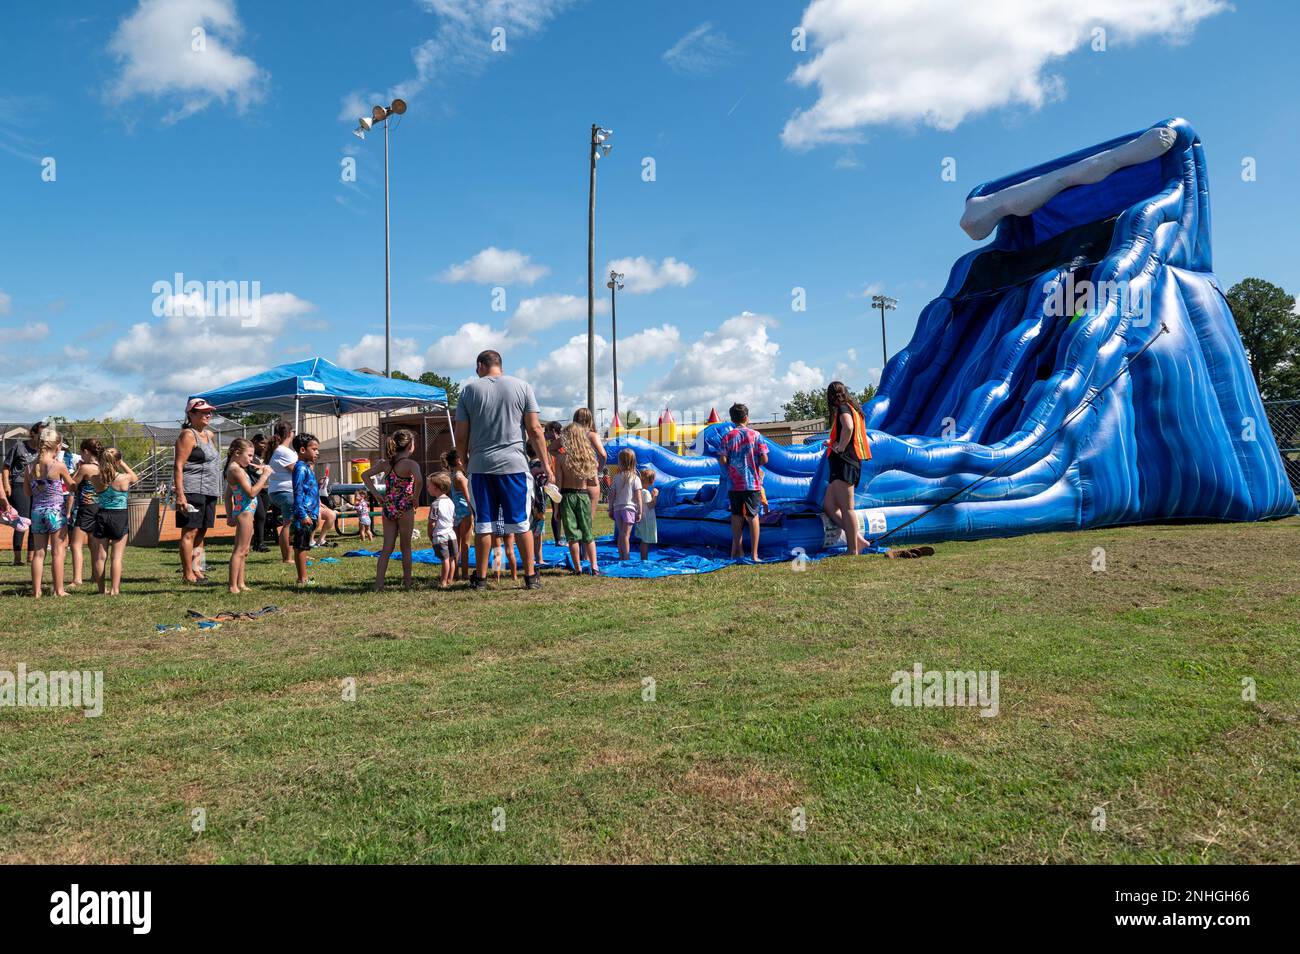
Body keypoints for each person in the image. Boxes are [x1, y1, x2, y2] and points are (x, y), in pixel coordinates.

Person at [452, 350, 552, 590]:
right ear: (500, 365)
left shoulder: (469, 391)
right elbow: (536, 430)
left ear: (480, 365)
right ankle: (530, 576)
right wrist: (546, 464)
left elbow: (462, 434)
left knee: (483, 525)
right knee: (520, 524)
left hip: (481, 466)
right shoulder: (522, 387)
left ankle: (482, 578)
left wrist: (463, 460)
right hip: (515, 467)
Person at [364, 428, 421, 592]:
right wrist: (416, 497)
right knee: (406, 547)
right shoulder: (410, 464)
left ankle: (378, 584)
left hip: (388, 506)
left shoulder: (385, 463)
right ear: (410, 445)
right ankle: (408, 583)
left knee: (387, 547)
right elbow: (419, 480)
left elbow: (365, 476)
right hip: (405, 507)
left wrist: (376, 495)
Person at [822, 380, 874, 555]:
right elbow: (848, 430)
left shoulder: (844, 408)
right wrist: (833, 443)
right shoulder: (853, 408)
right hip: (845, 462)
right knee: (829, 506)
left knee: (847, 508)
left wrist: (840, 447)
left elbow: (848, 427)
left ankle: (853, 549)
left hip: (845, 461)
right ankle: (858, 540)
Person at [174, 398, 222, 585]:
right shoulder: (187, 435)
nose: (208, 414)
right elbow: (178, 466)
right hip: (192, 490)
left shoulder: (209, 435)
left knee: (201, 532)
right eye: (203, 412)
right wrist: (181, 495)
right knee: (190, 532)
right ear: (191, 414)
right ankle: (188, 574)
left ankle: (198, 569)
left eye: (209, 411)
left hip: (209, 490)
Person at [718, 402, 769, 561]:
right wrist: (754, 464)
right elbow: (765, 458)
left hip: (734, 484)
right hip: (751, 483)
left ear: (732, 419)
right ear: (746, 417)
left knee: (736, 516)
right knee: (753, 517)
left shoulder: (727, 436)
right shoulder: (756, 435)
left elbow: (723, 459)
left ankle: (737, 552)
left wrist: (732, 465)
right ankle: (754, 554)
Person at [25, 427, 72, 599]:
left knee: (38, 553)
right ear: (58, 447)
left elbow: (28, 493)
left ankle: (36, 592)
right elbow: (71, 485)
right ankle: (59, 590)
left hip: (37, 512)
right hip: (55, 512)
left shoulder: (29, 467)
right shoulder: (58, 465)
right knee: (58, 552)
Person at [555, 411, 601, 576]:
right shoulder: (588, 458)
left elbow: (558, 486)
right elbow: (594, 482)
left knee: (572, 536)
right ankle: (594, 567)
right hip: (583, 496)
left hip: (567, 497)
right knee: (588, 533)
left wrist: (556, 509)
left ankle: (578, 568)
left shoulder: (561, 459)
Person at [224, 438, 271, 595]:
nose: (251, 459)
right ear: (237, 453)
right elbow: (251, 493)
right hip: (244, 512)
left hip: (244, 511)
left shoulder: (235, 468)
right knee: (240, 550)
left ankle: (240, 582)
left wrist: (230, 515)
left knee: (244, 551)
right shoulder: (236, 470)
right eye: (249, 456)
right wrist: (264, 476)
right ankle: (232, 586)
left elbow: (227, 495)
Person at [89, 447, 137, 596]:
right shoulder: (123, 478)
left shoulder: (96, 478)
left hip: (102, 515)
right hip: (119, 516)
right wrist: (122, 463)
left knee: (100, 556)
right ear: (117, 461)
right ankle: (115, 589)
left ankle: (102, 589)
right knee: (116, 557)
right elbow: (134, 477)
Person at [3, 422, 41, 565]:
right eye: (41, 434)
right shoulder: (19, 446)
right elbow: (6, 466)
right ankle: (17, 559)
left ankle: (31, 558)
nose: (44, 437)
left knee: (35, 521)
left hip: (38, 487)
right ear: (33, 433)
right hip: (19, 485)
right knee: (22, 521)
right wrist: (7, 484)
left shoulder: (44, 449)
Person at [67, 438, 103, 587]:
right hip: (100, 507)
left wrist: (77, 469)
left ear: (87, 452)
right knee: (94, 544)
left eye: (82, 453)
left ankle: (77, 579)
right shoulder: (104, 466)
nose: (81, 456)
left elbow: (71, 485)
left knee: (75, 544)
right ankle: (96, 576)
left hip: (86, 508)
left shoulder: (85, 468)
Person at [290, 434, 321, 587]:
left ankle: (303, 577)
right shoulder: (300, 468)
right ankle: (302, 579)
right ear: (302, 450)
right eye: (314, 449)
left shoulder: (306, 468)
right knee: (301, 546)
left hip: (310, 512)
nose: (317, 452)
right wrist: (302, 514)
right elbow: (298, 492)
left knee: (304, 544)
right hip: (304, 513)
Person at [267, 421, 297, 564]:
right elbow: (297, 472)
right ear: (290, 433)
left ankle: (296, 553)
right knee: (288, 524)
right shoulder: (284, 451)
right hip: (285, 491)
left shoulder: (278, 450)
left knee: (290, 523)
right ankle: (287, 557)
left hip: (278, 491)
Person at [608, 448, 644, 562]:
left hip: (618, 509)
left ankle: (621, 556)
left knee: (621, 534)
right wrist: (640, 511)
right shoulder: (635, 478)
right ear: (633, 462)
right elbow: (638, 497)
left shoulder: (616, 477)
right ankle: (626, 557)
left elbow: (611, 495)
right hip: (629, 509)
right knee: (625, 535)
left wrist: (610, 508)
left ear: (620, 462)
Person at [443, 448, 474, 580]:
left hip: (455, 512)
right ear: (458, 461)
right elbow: (468, 498)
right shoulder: (461, 477)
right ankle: (465, 574)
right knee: (465, 543)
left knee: (456, 544)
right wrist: (473, 512)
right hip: (465, 511)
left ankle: (455, 573)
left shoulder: (451, 476)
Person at [426, 471, 457, 589]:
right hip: (451, 534)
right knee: (452, 559)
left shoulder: (435, 504)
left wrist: (430, 534)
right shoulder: (450, 502)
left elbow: (432, 523)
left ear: (437, 487)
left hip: (441, 535)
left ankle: (443, 582)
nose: (428, 488)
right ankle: (450, 579)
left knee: (445, 560)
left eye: (429, 486)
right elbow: (453, 517)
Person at [249, 433, 271, 552]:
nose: (264, 446)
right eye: (262, 443)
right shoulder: (250, 456)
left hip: (265, 490)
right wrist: (261, 468)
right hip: (254, 489)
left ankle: (259, 541)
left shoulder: (262, 456)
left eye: (266, 444)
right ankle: (259, 543)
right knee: (260, 516)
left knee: (262, 517)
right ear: (254, 442)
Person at [543, 421, 564, 544]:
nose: (545, 434)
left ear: (554, 431)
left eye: (547, 431)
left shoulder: (563, 444)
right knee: (556, 509)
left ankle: (564, 537)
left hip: (563, 480)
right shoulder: (547, 447)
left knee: (562, 509)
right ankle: (558, 539)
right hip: (551, 482)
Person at [638, 468, 659, 561]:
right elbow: (651, 505)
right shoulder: (645, 492)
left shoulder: (641, 491)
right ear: (651, 481)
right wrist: (655, 495)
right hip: (647, 519)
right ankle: (644, 558)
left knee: (644, 540)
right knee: (645, 541)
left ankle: (643, 557)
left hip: (643, 518)